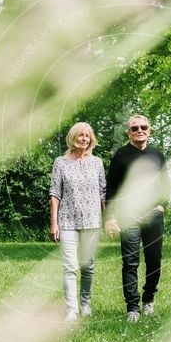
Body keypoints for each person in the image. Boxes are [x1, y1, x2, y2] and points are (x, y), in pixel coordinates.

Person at [105, 114, 169, 323]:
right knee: (130, 262)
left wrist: (161, 206)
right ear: (129, 133)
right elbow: (111, 188)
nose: (139, 130)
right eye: (134, 128)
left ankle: (148, 299)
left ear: (149, 130)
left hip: (153, 214)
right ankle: (132, 307)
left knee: (154, 261)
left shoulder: (157, 155)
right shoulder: (121, 156)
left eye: (143, 127)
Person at [49, 122, 106, 323]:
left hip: (92, 221)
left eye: (88, 136)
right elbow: (55, 193)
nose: (84, 139)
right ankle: (72, 309)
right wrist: (54, 223)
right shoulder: (60, 162)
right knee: (70, 267)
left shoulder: (97, 162)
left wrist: (108, 218)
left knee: (88, 266)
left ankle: (86, 305)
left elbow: (103, 193)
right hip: (67, 221)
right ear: (73, 137)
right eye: (81, 135)